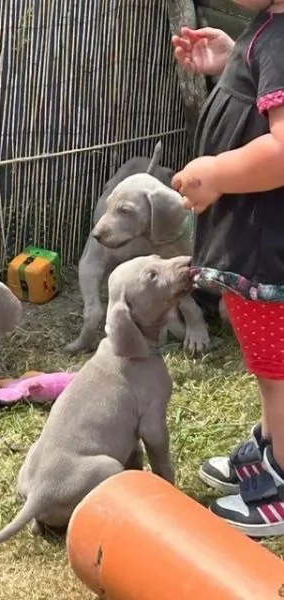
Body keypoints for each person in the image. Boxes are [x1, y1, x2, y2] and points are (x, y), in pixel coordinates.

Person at [171, 1, 284, 538]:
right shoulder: (272, 27)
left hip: (268, 251)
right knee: (274, 365)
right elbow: (261, 103)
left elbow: (283, 150)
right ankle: (271, 447)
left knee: (278, 375)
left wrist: (216, 172)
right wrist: (233, 59)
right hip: (264, 244)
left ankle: (281, 484)